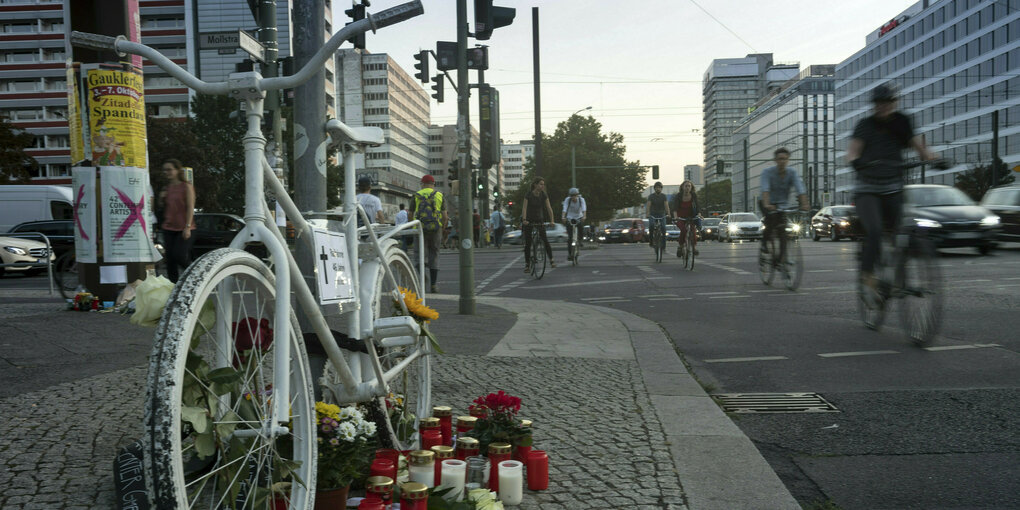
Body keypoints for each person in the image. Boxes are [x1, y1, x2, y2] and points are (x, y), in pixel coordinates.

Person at [846, 82, 936, 298]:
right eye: (879, 103)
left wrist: (934, 158)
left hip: (894, 187)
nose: (884, 107)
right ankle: (868, 275)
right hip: (868, 189)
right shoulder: (864, 125)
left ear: (895, 103)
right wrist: (856, 161)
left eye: (888, 103)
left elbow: (919, 147)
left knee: (901, 234)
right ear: (874, 105)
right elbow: (853, 151)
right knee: (875, 230)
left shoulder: (903, 121)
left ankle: (899, 282)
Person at [760, 148, 810, 266]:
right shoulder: (767, 172)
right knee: (770, 222)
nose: (783, 161)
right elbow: (765, 189)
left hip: (782, 205)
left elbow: (800, 189)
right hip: (767, 202)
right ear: (775, 160)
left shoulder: (792, 173)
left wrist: (805, 204)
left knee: (783, 233)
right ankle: (764, 243)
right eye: (780, 159)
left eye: (785, 159)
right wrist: (767, 204)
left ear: (788, 160)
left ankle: (781, 259)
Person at [158, 158, 195, 283]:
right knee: (170, 260)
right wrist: (161, 198)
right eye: (164, 170)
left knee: (179, 255)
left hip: (184, 228)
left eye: (169, 170)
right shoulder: (166, 188)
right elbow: (162, 208)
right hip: (168, 227)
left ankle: (195, 273)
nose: (166, 172)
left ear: (177, 170)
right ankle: (173, 286)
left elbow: (190, 207)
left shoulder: (186, 186)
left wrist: (188, 226)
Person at [413, 175, 447, 293]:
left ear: (422, 184)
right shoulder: (439, 195)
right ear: (433, 184)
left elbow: (410, 213)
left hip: (419, 228)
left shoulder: (416, 195)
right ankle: (433, 285)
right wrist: (442, 229)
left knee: (418, 254)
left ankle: (423, 277)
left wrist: (411, 227)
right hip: (436, 228)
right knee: (434, 254)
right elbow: (445, 216)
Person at [521, 177, 556, 272]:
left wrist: (552, 220)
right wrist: (524, 219)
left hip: (539, 219)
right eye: (540, 184)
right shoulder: (528, 194)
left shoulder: (543, 195)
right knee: (528, 243)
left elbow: (549, 208)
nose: (542, 186)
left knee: (544, 239)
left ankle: (551, 260)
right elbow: (524, 208)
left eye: (543, 184)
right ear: (535, 185)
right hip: (529, 220)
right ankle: (527, 264)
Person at [672, 180, 702, 257]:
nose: (687, 188)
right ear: (682, 187)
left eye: (689, 186)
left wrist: (699, 214)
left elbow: (697, 206)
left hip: (691, 217)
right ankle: (680, 246)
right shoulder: (679, 196)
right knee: (684, 229)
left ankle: (694, 248)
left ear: (691, 188)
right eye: (686, 186)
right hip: (680, 217)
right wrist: (676, 217)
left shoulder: (693, 195)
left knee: (693, 230)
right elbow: (675, 208)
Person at [562, 187, 587, 254]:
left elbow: (584, 209)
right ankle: (570, 254)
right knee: (570, 238)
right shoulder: (567, 200)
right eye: (572, 196)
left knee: (581, 227)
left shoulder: (581, 200)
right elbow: (564, 209)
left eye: (575, 195)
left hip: (579, 217)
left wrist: (584, 216)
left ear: (577, 195)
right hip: (570, 217)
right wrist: (563, 217)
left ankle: (580, 240)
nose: (573, 197)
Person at [645, 182, 669, 249]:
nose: (658, 189)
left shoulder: (663, 196)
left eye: (659, 187)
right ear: (654, 188)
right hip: (653, 214)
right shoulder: (651, 196)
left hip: (661, 214)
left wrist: (668, 214)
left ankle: (663, 245)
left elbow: (666, 205)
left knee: (663, 228)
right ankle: (651, 241)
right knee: (651, 225)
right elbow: (648, 205)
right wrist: (647, 213)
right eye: (656, 187)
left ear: (661, 189)